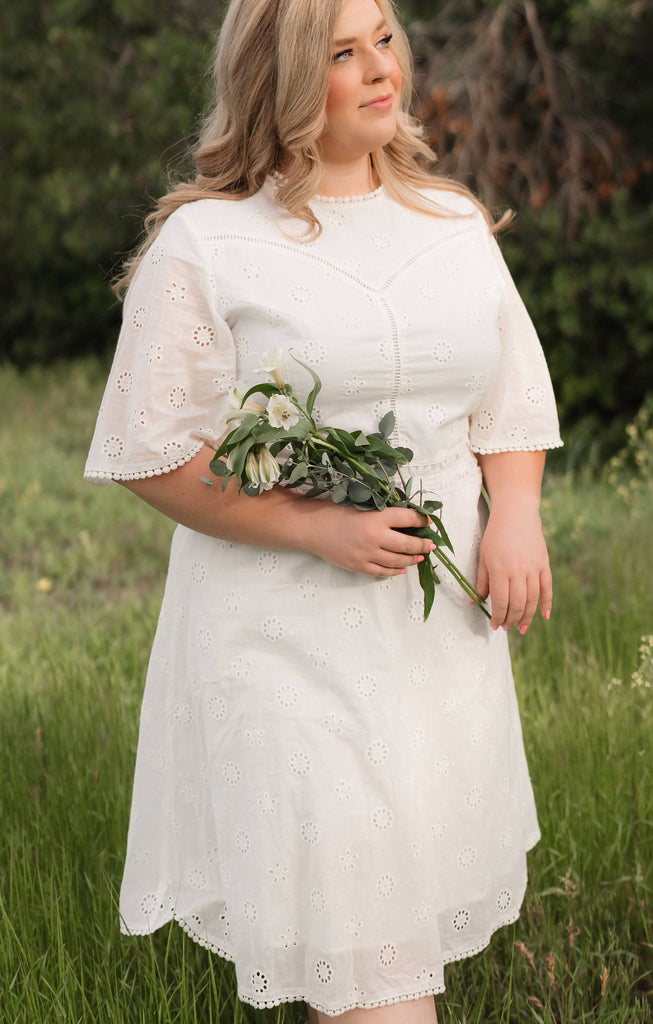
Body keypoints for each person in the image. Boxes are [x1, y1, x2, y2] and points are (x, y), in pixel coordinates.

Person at [85, 0, 562, 1019]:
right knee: (372, 960)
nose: (382, 68)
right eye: (344, 53)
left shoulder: (451, 223)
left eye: (384, 38)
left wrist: (515, 510)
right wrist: (317, 527)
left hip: (436, 638)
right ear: (286, 79)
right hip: (283, 638)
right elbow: (148, 449)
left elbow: (509, 392)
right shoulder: (209, 242)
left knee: (394, 930)